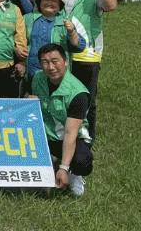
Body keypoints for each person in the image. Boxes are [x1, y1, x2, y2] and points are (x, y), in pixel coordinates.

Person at [61, 0, 117, 143]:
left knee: (86, 99)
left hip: (88, 55)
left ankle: (86, 140)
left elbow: (111, 5)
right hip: (62, 54)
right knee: (63, 96)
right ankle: (63, 137)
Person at [29, 43, 93, 196]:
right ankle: (51, 159)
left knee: (82, 162)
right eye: (45, 62)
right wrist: (28, 99)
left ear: (65, 62)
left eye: (55, 61)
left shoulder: (78, 93)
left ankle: (74, 173)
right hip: (45, 135)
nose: (51, 67)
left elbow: (71, 133)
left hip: (71, 137)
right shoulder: (37, 78)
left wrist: (63, 168)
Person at [23, 0, 86, 85]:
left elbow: (78, 46)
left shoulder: (65, 23)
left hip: (56, 74)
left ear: (60, 5)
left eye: (54, 0)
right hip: (31, 71)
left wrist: (71, 32)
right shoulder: (27, 19)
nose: (49, 3)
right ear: (39, 2)